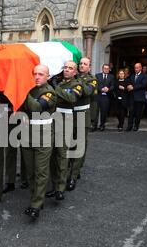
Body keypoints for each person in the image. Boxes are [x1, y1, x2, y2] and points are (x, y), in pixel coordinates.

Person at [20, 64, 57, 219]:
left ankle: (36, 204)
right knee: (30, 171)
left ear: (48, 76)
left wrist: (22, 90)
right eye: (34, 73)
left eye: (41, 74)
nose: (37, 76)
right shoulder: (30, 89)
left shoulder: (49, 92)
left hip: (43, 135)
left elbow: (36, 108)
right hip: (27, 135)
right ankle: (35, 198)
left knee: (41, 171)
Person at [47, 60, 81, 201]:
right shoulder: (59, 83)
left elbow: (72, 98)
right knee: (52, 156)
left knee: (62, 155)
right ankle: (54, 186)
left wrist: (56, 88)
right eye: (65, 67)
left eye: (70, 68)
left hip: (66, 122)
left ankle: (60, 188)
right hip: (54, 121)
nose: (66, 70)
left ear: (75, 72)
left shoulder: (76, 85)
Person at [67, 57, 96, 191]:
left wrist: (77, 80)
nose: (82, 66)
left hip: (81, 116)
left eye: (85, 64)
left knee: (78, 146)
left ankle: (73, 175)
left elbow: (88, 91)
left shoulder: (92, 79)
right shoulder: (73, 78)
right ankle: (69, 170)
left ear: (89, 67)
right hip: (69, 116)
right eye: (81, 63)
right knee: (68, 145)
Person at [127, 63, 147, 131]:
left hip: (140, 97)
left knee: (138, 113)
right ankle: (129, 126)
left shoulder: (144, 76)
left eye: (137, 68)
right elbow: (129, 82)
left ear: (141, 68)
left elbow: (143, 85)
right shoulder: (132, 76)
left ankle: (136, 126)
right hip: (132, 97)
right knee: (131, 112)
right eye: (135, 68)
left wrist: (133, 87)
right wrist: (128, 86)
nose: (136, 69)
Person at [94, 64, 115, 131]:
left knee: (104, 112)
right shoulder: (97, 75)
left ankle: (102, 125)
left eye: (107, 68)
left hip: (106, 97)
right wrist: (101, 89)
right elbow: (95, 85)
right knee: (95, 112)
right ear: (102, 69)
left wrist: (108, 89)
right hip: (98, 96)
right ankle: (94, 126)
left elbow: (113, 86)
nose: (106, 69)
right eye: (105, 68)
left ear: (109, 69)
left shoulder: (111, 76)